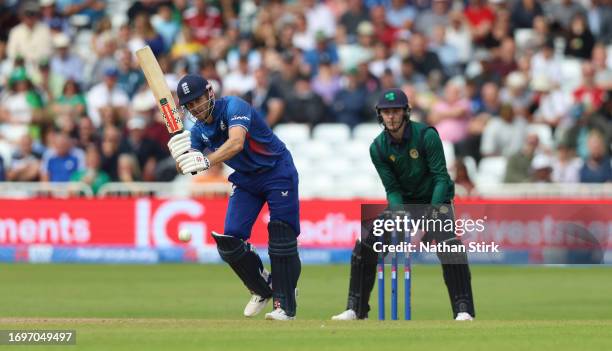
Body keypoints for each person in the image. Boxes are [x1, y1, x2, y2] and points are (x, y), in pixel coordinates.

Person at [331, 88, 476, 321]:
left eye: (396, 111)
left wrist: (431, 213)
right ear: (380, 115)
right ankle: (356, 308)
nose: (391, 116)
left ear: (406, 112)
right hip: (405, 203)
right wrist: (399, 215)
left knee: (450, 246)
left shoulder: (427, 135)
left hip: (435, 199)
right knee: (366, 242)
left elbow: (441, 177)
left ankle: (463, 309)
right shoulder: (378, 148)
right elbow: (392, 189)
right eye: (386, 112)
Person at [167, 74, 301, 320]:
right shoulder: (197, 131)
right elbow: (188, 165)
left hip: (276, 170)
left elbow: (236, 143)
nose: (195, 107)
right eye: (189, 104)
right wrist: (179, 155)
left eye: (198, 100)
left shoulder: (234, 106)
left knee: (281, 236)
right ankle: (263, 288)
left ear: (210, 93)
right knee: (230, 241)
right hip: (247, 179)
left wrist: (205, 160)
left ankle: (285, 304)